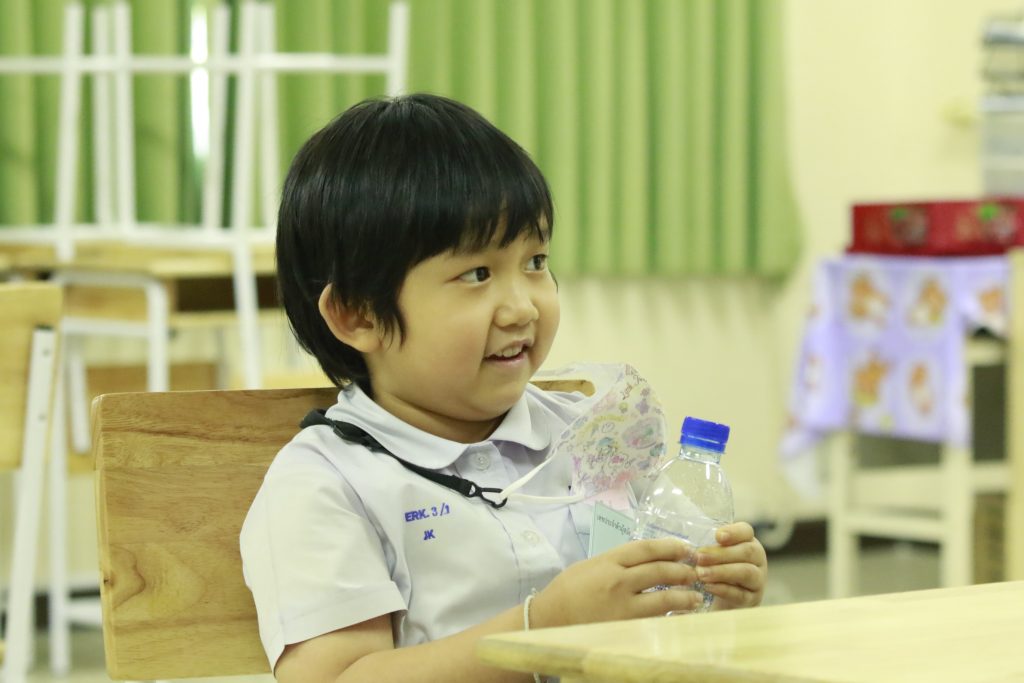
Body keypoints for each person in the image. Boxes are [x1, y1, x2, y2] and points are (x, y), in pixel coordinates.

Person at [240, 93, 768, 683]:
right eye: (477, 274)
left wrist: (714, 595)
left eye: (536, 261)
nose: (523, 307)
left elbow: (665, 615)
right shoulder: (327, 484)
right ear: (358, 315)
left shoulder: (595, 433)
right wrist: (543, 629)